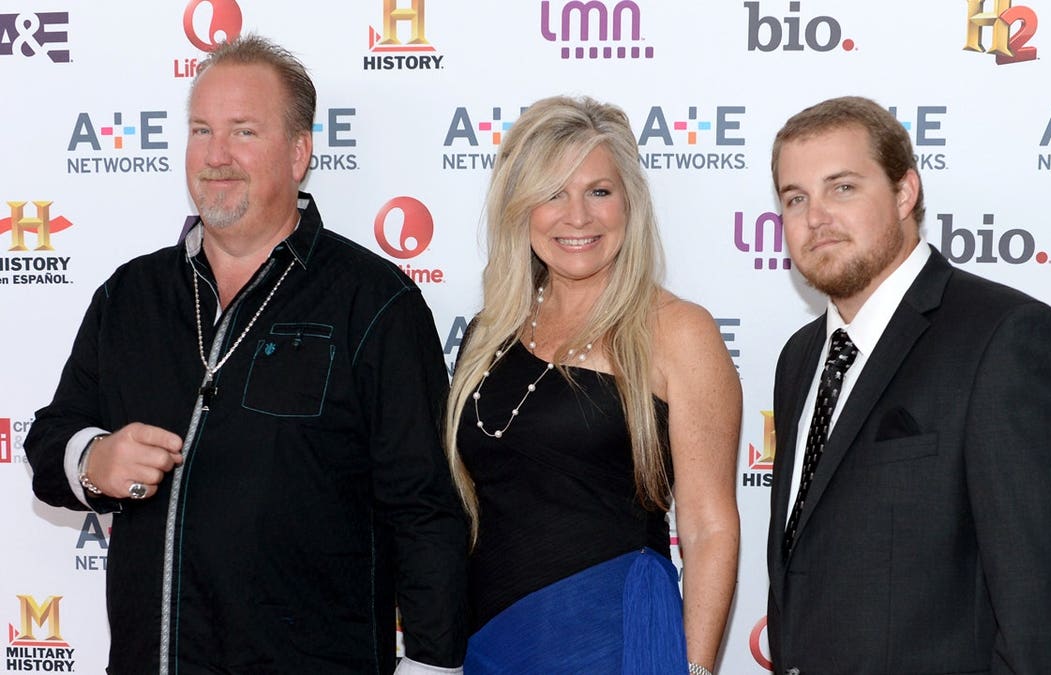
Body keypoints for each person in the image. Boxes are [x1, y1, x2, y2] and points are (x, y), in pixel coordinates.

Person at [25, 35, 466, 674]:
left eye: (244, 132)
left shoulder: (375, 303)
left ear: (298, 153)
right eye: (202, 130)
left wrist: (431, 665)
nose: (217, 156)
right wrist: (94, 459)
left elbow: (426, 512)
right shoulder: (131, 295)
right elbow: (49, 444)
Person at [765, 96, 1051, 674]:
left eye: (842, 187)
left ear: (905, 193)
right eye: (795, 198)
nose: (815, 217)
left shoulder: (1005, 340)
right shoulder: (799, 359)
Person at [443, 96, 741, 674]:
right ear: (520, 208)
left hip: (614, 637)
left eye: (598, 191)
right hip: (488, 641)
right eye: (553, 192)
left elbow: (708, 527)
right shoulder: (487, 334)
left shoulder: (677, 330)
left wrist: (697, 671)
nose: (576, 216)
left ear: (629, 203)